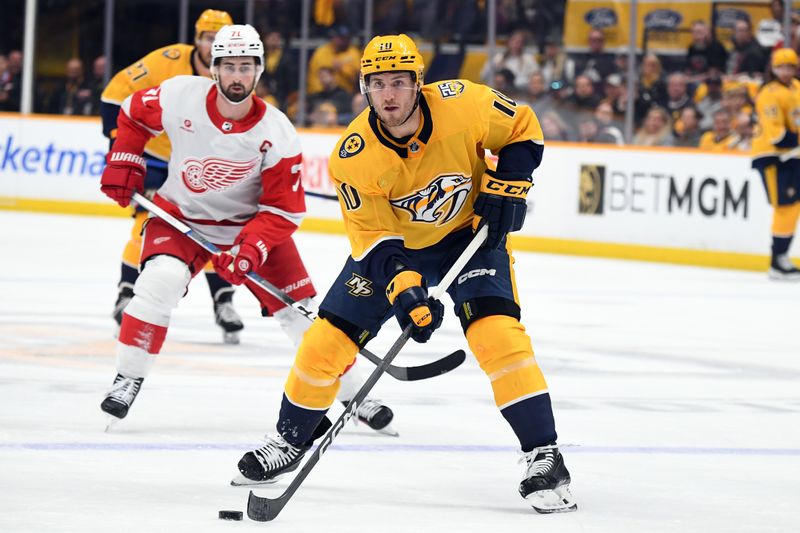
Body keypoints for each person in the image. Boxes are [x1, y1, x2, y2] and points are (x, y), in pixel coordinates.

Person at [234, 33, 577, 514]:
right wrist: (407, 292)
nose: (389, 95)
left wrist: (509, 185)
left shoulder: (465, 104)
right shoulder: (354, 156)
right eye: (378, 84)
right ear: (364, 88)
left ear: (419, 83)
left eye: (399, 82)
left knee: (498, 336)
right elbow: (375, 241)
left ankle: (544, 454)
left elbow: (523, 127)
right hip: (396, 252)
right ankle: (290, 440)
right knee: (325, 343)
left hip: (468, 236)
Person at [97, 24, 397, 434]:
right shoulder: (180, 94)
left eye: (246, 67)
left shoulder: (276, 131)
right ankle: (128, 376)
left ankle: (355, 395)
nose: (237, 76)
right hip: (182, 218)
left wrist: (252, 247)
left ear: (258, 71)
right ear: (215, 69)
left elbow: (283, 209)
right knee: (159, 281)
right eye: (229, 67)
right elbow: (131, 111)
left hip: (249, 228)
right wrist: (125, 158)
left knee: (303, 317)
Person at [100, 9, 245, 343]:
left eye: (218, 39)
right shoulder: (168, 60)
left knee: (215, 231)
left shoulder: (235, 73)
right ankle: (126, 294)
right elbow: (114, 92)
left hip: (200, 160)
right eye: (207, 38)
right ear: (196, 38)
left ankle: (223, 302)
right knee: (146, 223)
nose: (212, 45)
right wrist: (117, 141)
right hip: (155, 155)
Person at [752, 48, 800, 279]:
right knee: (785, 205)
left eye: (790, 66)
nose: (786, 71)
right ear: (773, 68)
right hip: (772, 155)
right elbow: (777, 135)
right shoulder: (769, 92)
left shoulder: (798, 88)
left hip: (792, 155)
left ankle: (781, 257)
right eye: (781, 67)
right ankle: (777, 260)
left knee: (793, 206)